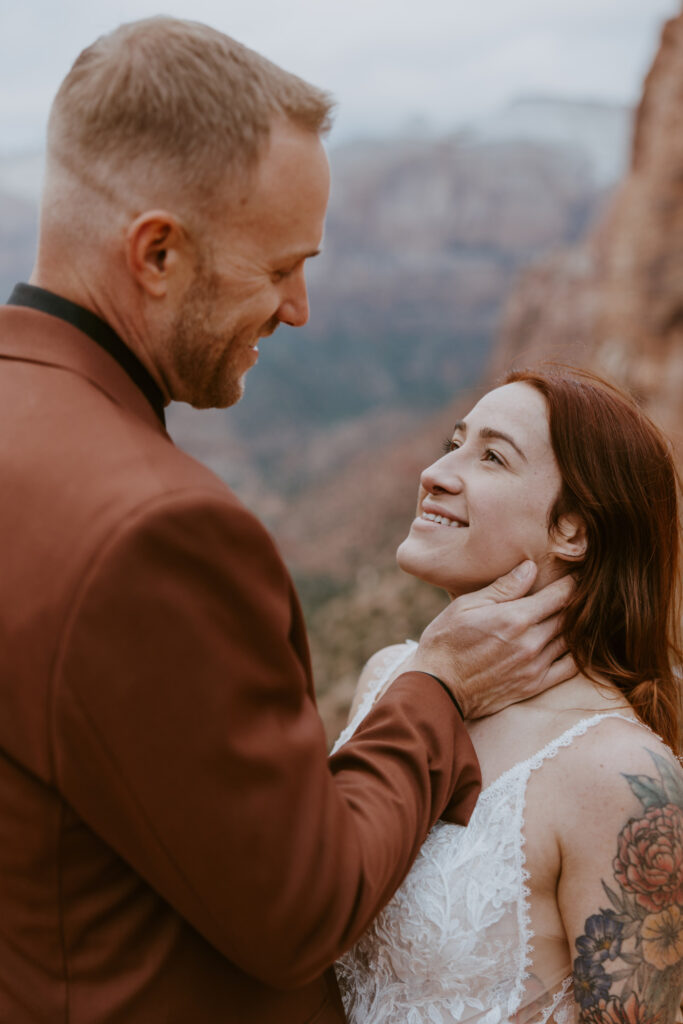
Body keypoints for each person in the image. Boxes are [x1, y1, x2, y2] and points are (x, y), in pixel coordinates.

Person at [0, 17, 579, 1024]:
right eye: (277, 268)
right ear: (158, 253)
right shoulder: (157, 530)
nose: (301, 307)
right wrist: (435, 685)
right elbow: (296, 907)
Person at [333, 366, 683, 1024]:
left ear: (572, 531)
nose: (434, 473)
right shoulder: (390, 679)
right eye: (453, 442)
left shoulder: (619, 773)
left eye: (491, 456)